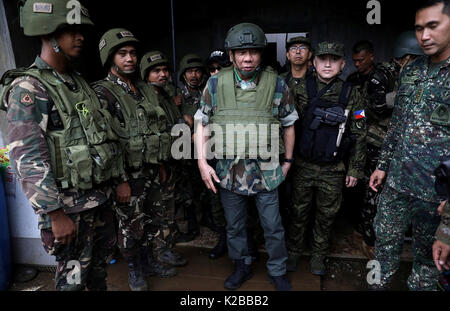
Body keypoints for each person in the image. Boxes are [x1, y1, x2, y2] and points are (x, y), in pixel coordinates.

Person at [0, 0, 120, 291]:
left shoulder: (78, 83)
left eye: (81, 31)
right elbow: (27, 158)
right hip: (67, 211)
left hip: (98, 202)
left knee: (98, 277)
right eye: (69, 30)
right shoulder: (29, 88)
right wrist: (54, 213)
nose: (79, 37)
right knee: (72, 282)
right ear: (47, 32)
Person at [195, 22, 298, 291]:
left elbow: (288, 124)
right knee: (235, 225)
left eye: (253, 51)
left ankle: (277, 270)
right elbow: (202, 124)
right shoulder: (215, 83)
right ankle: (242, 265)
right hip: (229, 170)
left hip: (267, 170)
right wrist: (202, 162)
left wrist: (287, 162)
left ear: (261, 54)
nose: (248, 57)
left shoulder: (276, 83)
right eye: (241, 52)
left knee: (273, 226)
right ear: (231, 55)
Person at [369, 0, 450, 291]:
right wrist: (382, 166)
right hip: (396, 184)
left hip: (436, 197)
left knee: (428, 263)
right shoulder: (411, 70)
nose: (424, 36)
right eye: (419, 29)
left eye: (432, 26)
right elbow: (397, 123)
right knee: (383, 246)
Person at [92, 29, 176, 291]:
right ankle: (134, 270)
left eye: (132, 53)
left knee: (153, 220)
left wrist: (160, 164)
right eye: (122, 53)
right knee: (131, 227)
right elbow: (105, 142)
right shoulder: (102, 92)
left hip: (151, 170)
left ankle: (150, 261)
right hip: (128, 176)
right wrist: (119, 181)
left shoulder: (143, 89)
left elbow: (156, 130)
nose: (129, 58)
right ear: (110, 57)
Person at [286, 42, 367, 276]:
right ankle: (293, 251)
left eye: (334, 59)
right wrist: (286, 161)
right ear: (313, 62)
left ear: (343, 64)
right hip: (303, 164)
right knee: (298, 211)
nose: (328, 64)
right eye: (323, 59)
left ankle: (318, 254)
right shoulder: (299, 88)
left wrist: (355, 169)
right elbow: (287, 126)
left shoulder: (353, 93)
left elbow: (360, 132)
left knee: (326, 215)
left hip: (334, 168)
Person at [344, 40, 396, 253]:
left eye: (361, 60)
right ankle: (355, 228)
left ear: (371, 56)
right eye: (354, 60)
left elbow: (386, 109)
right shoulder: (352, 79)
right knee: (353, 185)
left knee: (372, 188)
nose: (357, 64)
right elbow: (353, 110)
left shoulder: (384, 78)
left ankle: (367, 234)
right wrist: (359, 118)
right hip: (357, 138)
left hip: (377, 141)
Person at [139, 50, 188, 267]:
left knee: (168, 207)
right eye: (156, 71)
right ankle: (159, 252)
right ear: (146, 74)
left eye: (165, 70)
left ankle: (164, 248)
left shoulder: (166, 95)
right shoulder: (146, 97)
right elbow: (153, 134)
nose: (162, 74)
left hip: (172, 159)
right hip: (158, 163)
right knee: (159, 210)